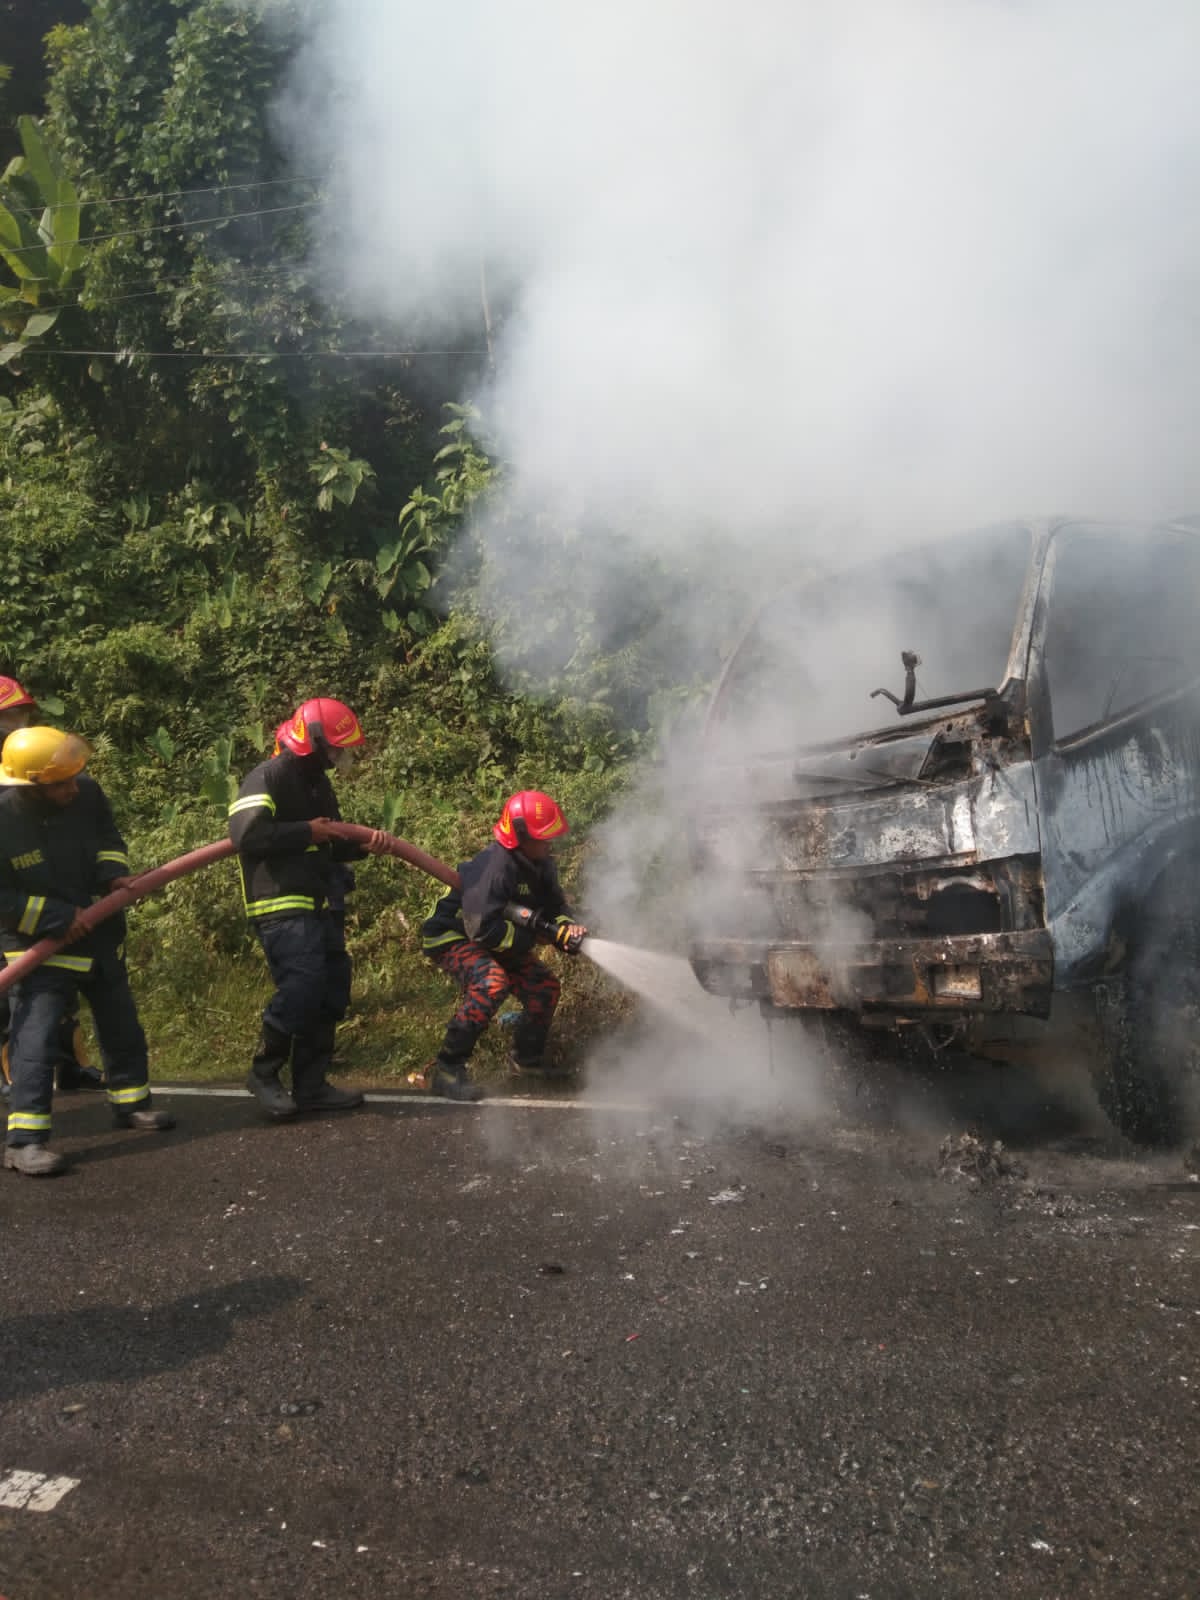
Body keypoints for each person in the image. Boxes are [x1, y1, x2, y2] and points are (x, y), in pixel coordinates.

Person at [0, 726, 173, 1177]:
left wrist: (114, 878)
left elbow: (108, 842)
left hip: (98, 931)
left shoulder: (87, 792)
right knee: (35, 1040)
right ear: (30, 785)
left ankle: (132, 1104)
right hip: (34, 944)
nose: (72, 788)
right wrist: (56, 918)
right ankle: (24, 1142)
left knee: (122, 1024)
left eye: (74, 778)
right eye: (60, 783)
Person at [230, 696, 390, 1120]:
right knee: (302, 986)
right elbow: (246, 835)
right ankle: (264, 1073)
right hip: (279, 902)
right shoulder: (269, 774)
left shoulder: (318, 782)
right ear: (315, 742)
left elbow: (331, 842)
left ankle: (311, 1084)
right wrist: (306, 831)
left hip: (321, 902)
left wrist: (365, 846)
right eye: (336, 747)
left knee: (331, 990)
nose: (340, 756)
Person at [419, 790, 588, 1100]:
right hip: (454, 934)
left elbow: (555, 906)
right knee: (492, 983)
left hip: (496, 935)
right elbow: (481, 929)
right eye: (543, 837)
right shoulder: (497, 867)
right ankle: (447, 1069)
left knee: (544, 988)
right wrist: (536, 937)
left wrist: (565, 927)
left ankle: (526, 1064)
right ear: (521, 836)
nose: (550, 843)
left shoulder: (541, 863)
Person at [0, 676, 105, 1100]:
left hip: (37, 887)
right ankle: (15, 1075)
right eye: (9, 717)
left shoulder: (35, 756)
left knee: (57, 986)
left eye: (23, 714)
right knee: (16, 990)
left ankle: (70, 1066)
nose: (18, 724)